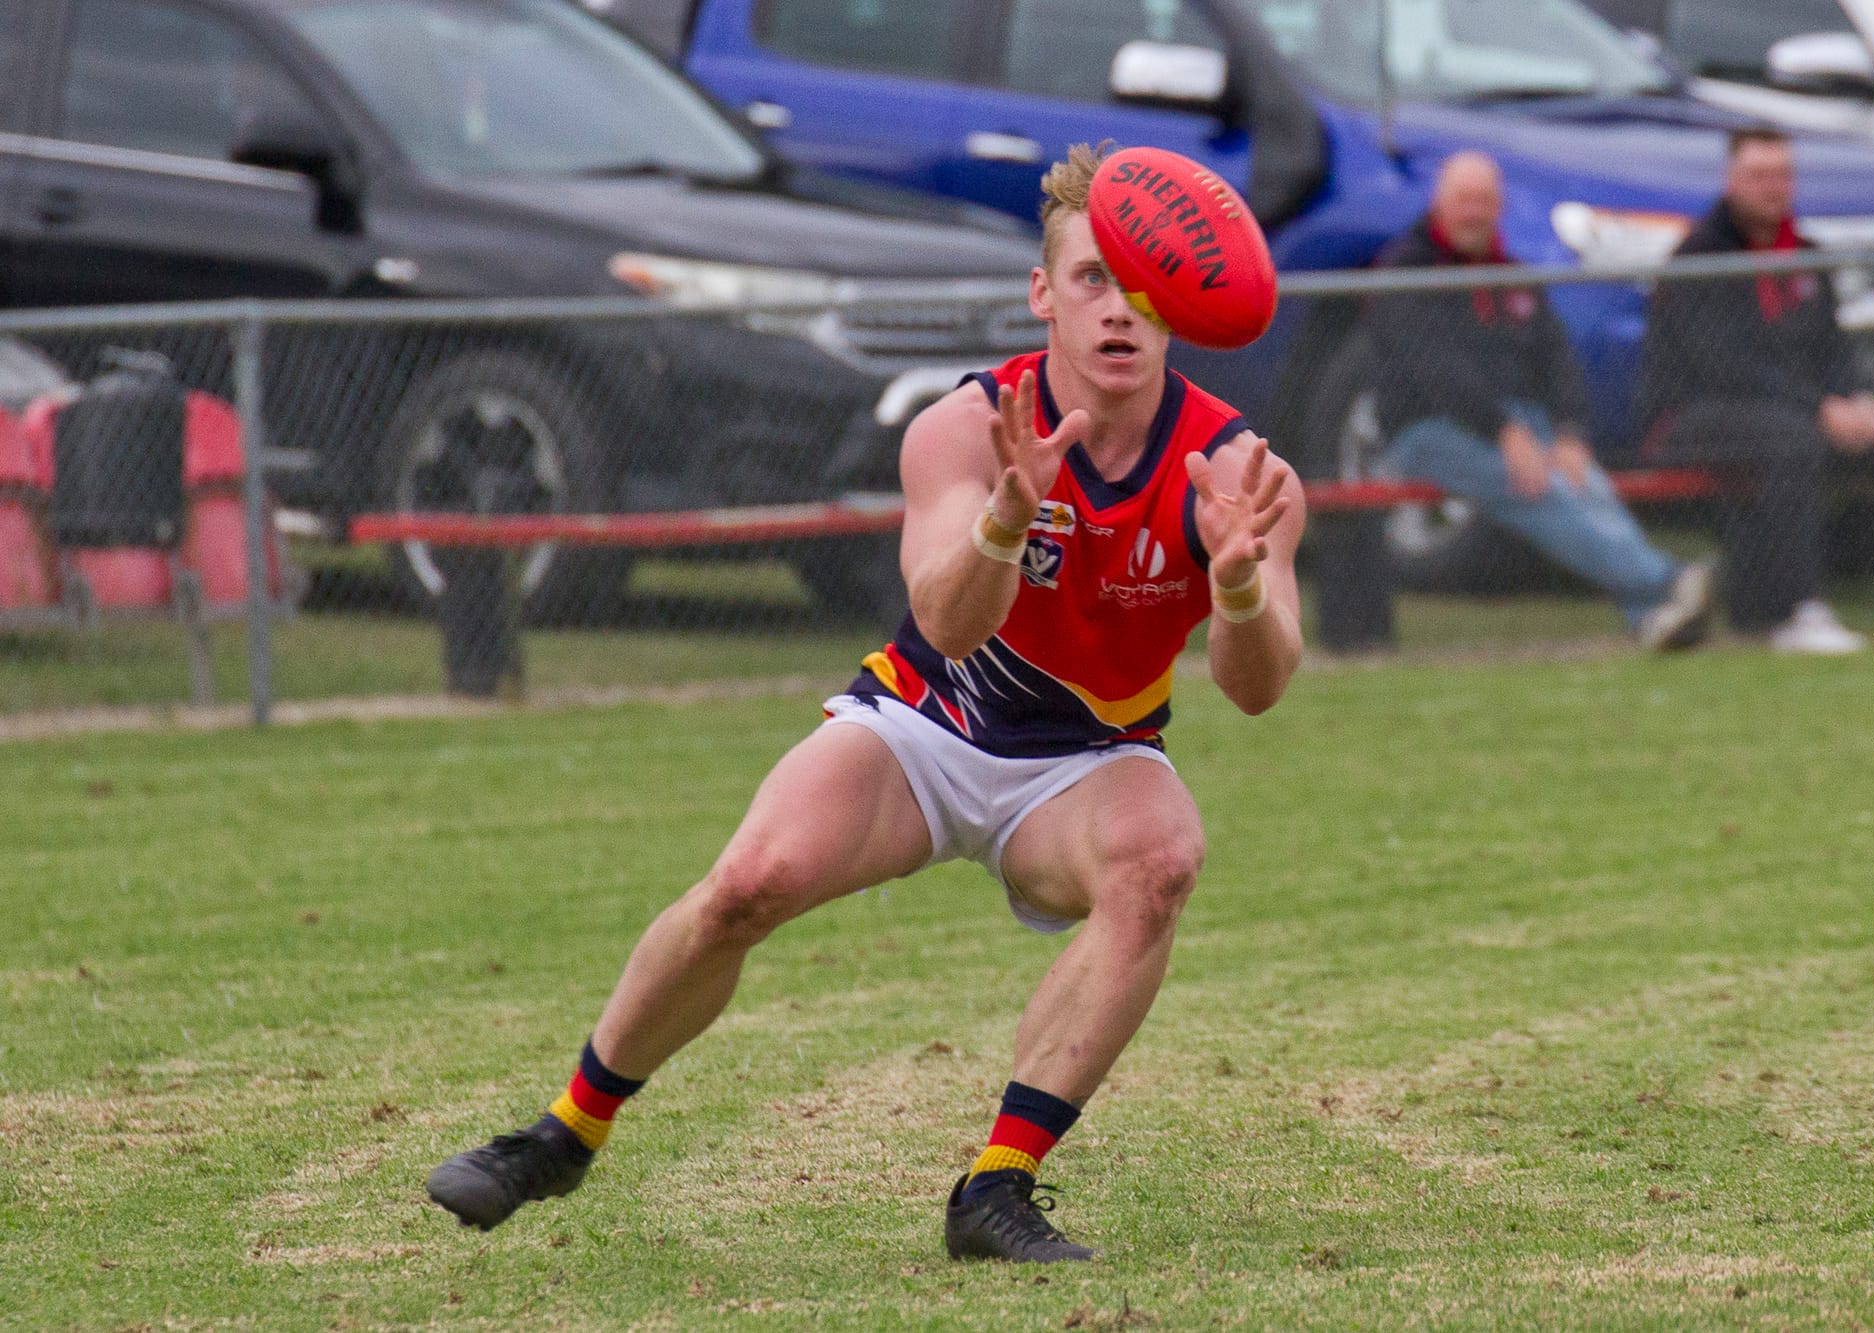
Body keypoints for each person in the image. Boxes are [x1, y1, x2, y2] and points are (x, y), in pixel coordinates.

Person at [422, 142, 1307, 1264]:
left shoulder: (1229, 469)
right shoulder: (961, 429)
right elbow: (945, 624)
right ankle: (563, 1133)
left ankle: (995, 1188)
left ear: (1179, 301)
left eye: (1142, 286)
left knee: (1159, 859)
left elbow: (1259, 685)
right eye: (1091, 279)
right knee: (746, 885)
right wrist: (1005, 521)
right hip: (921, 728)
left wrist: (1234, 581)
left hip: (1085, 759)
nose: (1118, 310)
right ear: (1042, 292)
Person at [1636, 126, 1874, 653]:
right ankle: (1795, 611)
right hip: (1694, 414)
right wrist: (1819, 408)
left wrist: (1852, 400)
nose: (1774, 187)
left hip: (1796, 410)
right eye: (1760, 175)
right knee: (1792, 442)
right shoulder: (1700, 256)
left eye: (1783, 175)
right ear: (1731, 180)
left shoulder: (1808, 254)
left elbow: (1832, 350)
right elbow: (1722, 364)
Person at [1366, 152, 1715, 652]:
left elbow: (1558, 360)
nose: (1474, 212)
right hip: (1427, 429)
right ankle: (1667, 580)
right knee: (1539, 488)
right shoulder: (1404, 270)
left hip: (1520, 423)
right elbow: (1435, 371)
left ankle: (1652, 617)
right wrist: (1504, 433)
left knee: (1585, 483)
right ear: (1439, 203)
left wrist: (1570, 432)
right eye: (1464, 200)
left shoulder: (1512, 273)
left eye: (1485, 201)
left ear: (1500, 206)